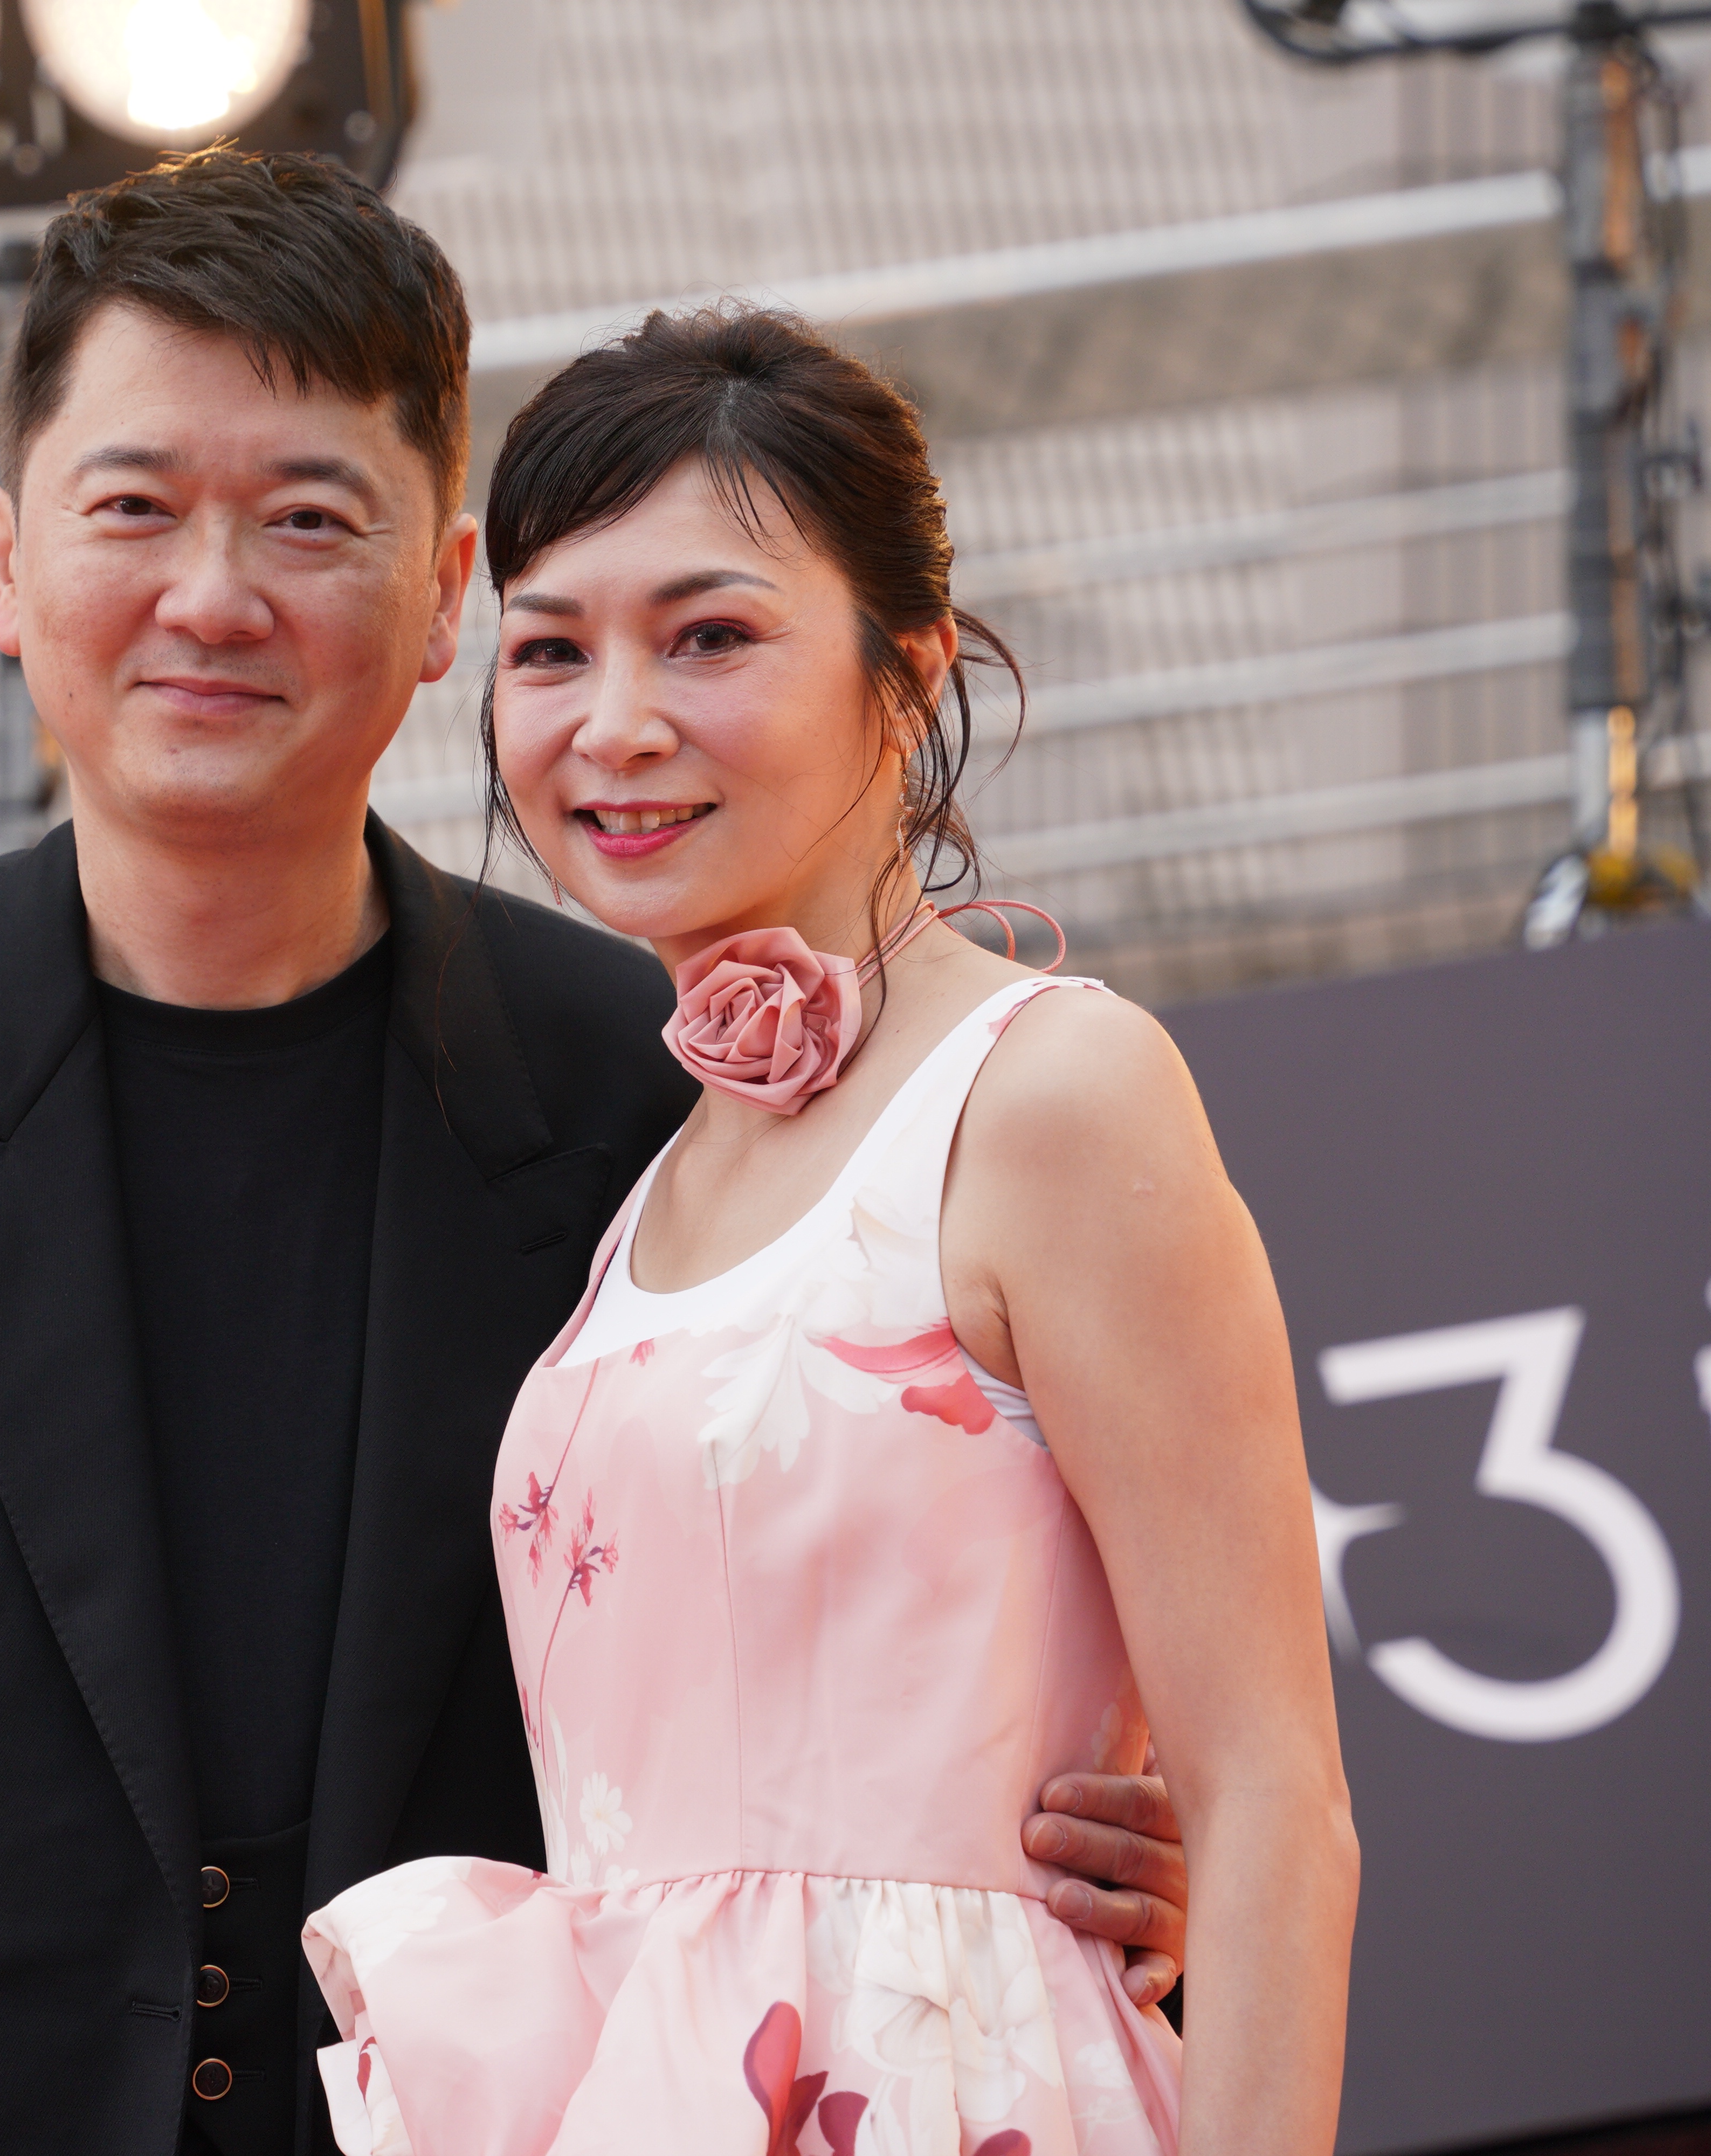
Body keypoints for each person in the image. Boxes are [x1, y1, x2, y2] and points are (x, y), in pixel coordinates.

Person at [0, 152, 1197, 2156]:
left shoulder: (644, 1084)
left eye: (307, 519)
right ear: (7, 562)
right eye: (134, 509)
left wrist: (1088, 1864)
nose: (213, 598)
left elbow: (866, 1669)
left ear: (443, 594)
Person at [303, 310, 1359, 2156]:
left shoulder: (1052, 1093)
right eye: (549, 649)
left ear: (908, 669)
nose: (614, 722)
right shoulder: (659, 1177)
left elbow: (1273, 1800)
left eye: (710, 635)